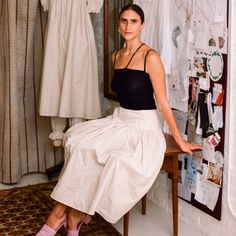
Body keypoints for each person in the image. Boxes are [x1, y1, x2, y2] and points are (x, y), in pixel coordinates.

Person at [36, 3, 201, 236]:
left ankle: (62, 215)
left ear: (142, 25)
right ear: (118, 25)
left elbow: (163, 103)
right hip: (120, 120)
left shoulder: (150, 57)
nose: (128, 26)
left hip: (143, 128)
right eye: (124, 21)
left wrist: (179, 139)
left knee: (108, 157)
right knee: (78, 142)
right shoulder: (116, 56)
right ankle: (72, 217)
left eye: (133, 21)